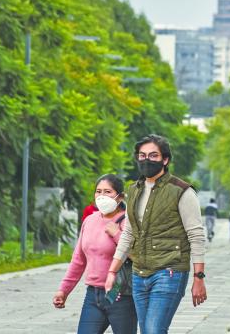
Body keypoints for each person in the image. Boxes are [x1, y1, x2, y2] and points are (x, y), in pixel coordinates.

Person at [105, 134, 207, 334]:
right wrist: (112, 271)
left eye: (153, 155)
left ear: (165, 159)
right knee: (147, 331)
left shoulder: (182, 191)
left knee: (153, 330)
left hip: (169, 271)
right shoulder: (133, 190)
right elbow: (128, 233)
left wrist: (199, 278)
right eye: (142, 156)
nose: (146, 160)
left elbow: (196, 236)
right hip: (139, 273)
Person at [53, 174, 137, 334]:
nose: (102, 196)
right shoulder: (90, 221)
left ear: (120, 197)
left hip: (119, 292)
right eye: (98, 191)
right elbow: (78, 260)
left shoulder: (128, 221)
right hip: (93, 294)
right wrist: (63, 290)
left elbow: (137, 255)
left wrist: (116, 234)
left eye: (108, 192)